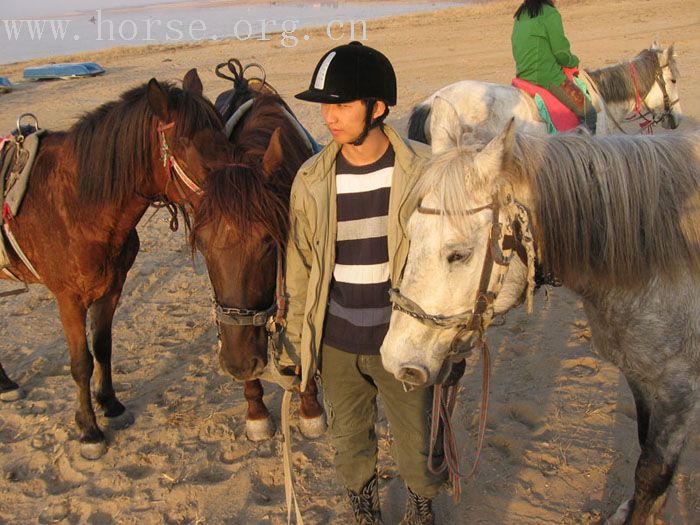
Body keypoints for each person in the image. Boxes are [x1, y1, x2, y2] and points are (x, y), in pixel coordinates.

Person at [280, 41, 447, 524]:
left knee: (419, 445)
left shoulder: (424, 172)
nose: (329, 117)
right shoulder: (310, 180)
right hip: (336, 343)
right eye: (325, 105)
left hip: (404, 341)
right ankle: (363, 505)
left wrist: (447, 347)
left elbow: (445, 267)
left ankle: (420, 503)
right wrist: (297, 345)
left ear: (377, 108)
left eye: (342, 104)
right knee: (349, 444)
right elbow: (301, 268)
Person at [512, 0, 597, 133]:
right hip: (547, 77)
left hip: (522, 75)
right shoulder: (550, 13)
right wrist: (573, 61)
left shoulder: (520, 15)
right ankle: (585, 151)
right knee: (589, 112)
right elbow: (561, 54)